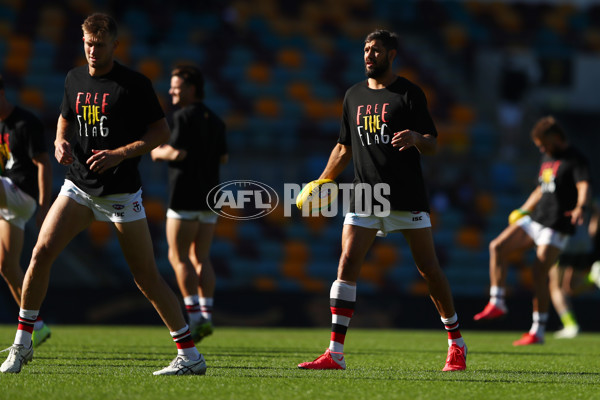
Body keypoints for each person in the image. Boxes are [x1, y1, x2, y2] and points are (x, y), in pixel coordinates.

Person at [0, 13, 206, 375]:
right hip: (78, 186)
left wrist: (120, 154)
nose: (92, 50)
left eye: (99, 44)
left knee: (146, 278)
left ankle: (190, 356)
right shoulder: (74, 78)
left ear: (114, 44)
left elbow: (161, 133)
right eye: (87, 43)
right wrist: (60, 140)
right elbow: (66, 117)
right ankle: (23, 343)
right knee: (40, 253)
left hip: (120, 194)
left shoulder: (133, 84)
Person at [297, 30, 466, 372]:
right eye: (366, 49)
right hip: (366, 196)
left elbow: (433, 143)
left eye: (376, 50)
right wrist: (323, 179)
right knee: (346, 263)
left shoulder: (409, 93)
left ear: (392, 55)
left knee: (429, 271)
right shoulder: (352, 95)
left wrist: (418, 138)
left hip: (406, 197)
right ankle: (334, 353)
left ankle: (456, 343)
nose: (368, 55)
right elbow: (344, 146)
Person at [474, 116, 591, 346]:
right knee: (497, 246)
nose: (540, 147)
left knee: (539, 273)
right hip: (537, 219)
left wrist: (580, 206)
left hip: (557, 225)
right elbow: (540, 189)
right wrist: (523, 210)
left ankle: (537, 331)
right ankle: (497, 302)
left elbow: (583, 185)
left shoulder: (576, 159)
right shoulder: (547, 157)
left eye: (542, 143)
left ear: (557, 138)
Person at [151, 65, 227, 342]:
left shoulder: (182, 117)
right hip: (210, 197)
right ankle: (206, 313)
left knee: (178, 256)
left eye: (176, 86)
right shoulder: (216, 120)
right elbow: (224, 159)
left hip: (185, 195)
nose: (171, 91)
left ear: (191, 88)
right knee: (201, 257)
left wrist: (157, 152)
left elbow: (179, 152)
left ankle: (194, 317)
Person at [0, 75, 52, 347]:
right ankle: (37, 326)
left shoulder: (25, 122)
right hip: (7, 201)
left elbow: (44, 163)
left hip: (23, 195)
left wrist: (45, 208)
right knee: (7, 266)